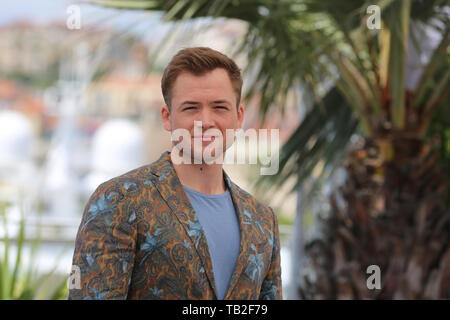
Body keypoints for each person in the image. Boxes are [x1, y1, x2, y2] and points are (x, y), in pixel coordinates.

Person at [68, 47, 282, 300]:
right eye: (191, 108)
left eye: (219, 107)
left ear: (238, 117)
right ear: (167, 117)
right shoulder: (119, 200)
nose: (206, 120)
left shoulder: (262, 219)